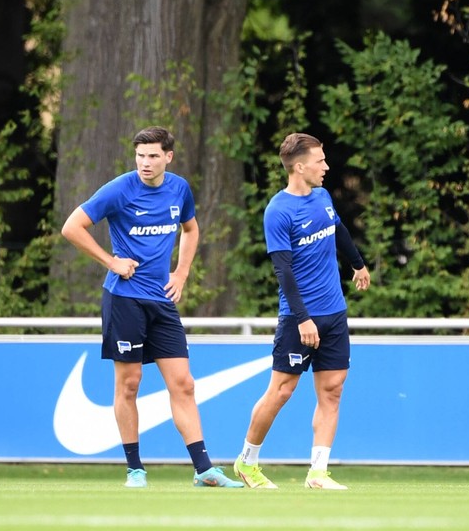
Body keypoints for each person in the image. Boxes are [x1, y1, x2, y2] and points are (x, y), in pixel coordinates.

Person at [61, 126, 243, 489]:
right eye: (140, 156)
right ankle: (134, 470)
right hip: (125, 299)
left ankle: (204, 469)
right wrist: (111, 261)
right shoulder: (119, 188)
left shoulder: (179, 189)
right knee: (129, 384)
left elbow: (190, 229)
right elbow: (72, 227)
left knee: (184, 384)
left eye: (153, 156)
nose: (145, 163)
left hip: (162, 302)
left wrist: (182, 272)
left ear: (168, 157)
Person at [232, 133, 370, 490]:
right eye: (320, 161)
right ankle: (247, 462)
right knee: (281, 391)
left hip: (334, 312)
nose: (326, 167)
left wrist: (357, 264)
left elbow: (337, 229)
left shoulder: (323, 197)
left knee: (333, 390)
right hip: (299, 317)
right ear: (299, 166)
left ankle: (318, 472)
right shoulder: (278, 211)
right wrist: (303, 318)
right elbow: (284, 271)